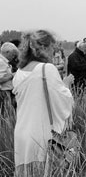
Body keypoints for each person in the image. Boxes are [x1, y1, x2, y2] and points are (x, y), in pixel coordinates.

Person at [12, 30, 74, 176]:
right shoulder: (47, 69)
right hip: (42, 134)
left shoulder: (20, 71)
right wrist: (66, 84)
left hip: (22, 133)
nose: (54, 51)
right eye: (53, 47)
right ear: (43, 48)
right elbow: (63, 102)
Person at [0, 42, 19, 114]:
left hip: (6, 93)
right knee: (6, 115)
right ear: (7, 52)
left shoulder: (4, 62)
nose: (13, 57)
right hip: (4, 93)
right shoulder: (1, 62)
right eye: (13, 54)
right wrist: (12, 75)